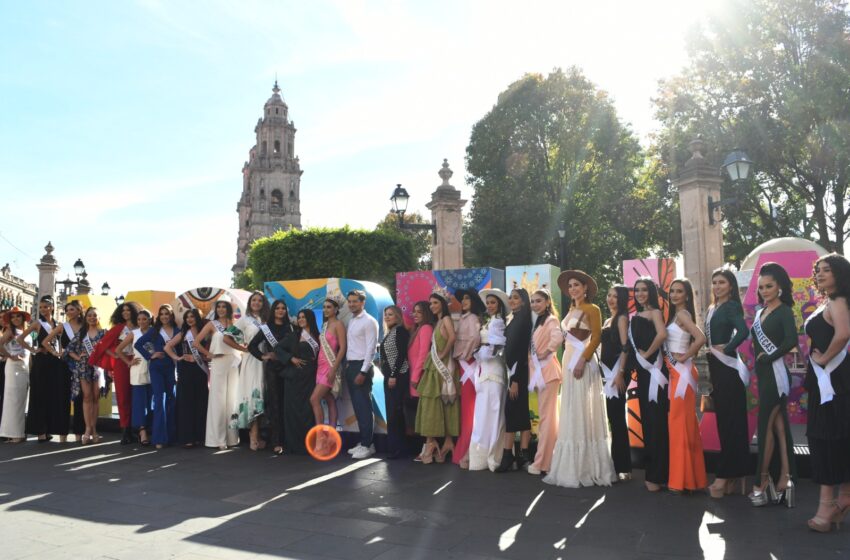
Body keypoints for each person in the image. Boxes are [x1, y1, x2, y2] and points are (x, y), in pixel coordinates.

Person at [545, 272, 616, 487]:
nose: (573, 289)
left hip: (582, 361)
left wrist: (583, 360)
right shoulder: (570, 310)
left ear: (585, 288)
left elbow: (596, 337)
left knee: (582, 408)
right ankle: (570, 465)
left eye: (576, 285)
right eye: (570, 286)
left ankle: (588, 467)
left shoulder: (592, 309)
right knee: (571, 408)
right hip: (568, 359)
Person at [804, 254, 850, 532]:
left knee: (828, 439)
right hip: (828, 381)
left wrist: (823, 359)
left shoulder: (838, 300)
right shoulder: (830, 301)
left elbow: (843, 334)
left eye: (827, 270)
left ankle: (827, 507)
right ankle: (842, 500)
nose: (820, 274)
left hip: (833, 381)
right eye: (818, 270)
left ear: (839, 274)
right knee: (833, 437)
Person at [748, 263, 798, 507]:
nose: (764, 290)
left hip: (776, 376)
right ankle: (787, 477)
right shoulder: (762, 312)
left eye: (769, 286)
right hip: (764, 376)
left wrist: (769, 357)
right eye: (761, 287)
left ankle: (761, 480)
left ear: (780, 287)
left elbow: (791, 340)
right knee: (779, 428)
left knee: (765, 426)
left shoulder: (784, 311)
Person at [705, 266, 751, 498]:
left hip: (728, 368)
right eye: (715, 282)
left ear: (731, 286)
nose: (717, 286)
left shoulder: (731, 306)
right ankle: (733, 474)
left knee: (731, 423)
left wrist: (728, 348)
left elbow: (743, 332)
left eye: (722, 282)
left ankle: (725, 476)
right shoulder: (713, 307)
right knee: (724, 423)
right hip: (716, 367)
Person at [664, 279, 708, 494]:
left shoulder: (682, 315)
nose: (674, 294)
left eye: (679, 291)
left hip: (682, 373)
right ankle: (689, 479)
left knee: (680, 425)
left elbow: (700, 338)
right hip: (677, 373)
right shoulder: (676, 314)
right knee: (682, 425)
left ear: (687, 295)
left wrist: (684, 357)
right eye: (672, 291)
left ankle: (682, 480)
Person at [629, 278, 669, 492]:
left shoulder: (655, 313)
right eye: (637, 290)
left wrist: (647, 354)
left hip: (655, 372)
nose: (640, 293)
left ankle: (658, 475)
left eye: (644, 290)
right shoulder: (635, 316)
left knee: (657, 423)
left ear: (651, 292)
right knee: (647, 422)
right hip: (643, 375)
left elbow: (662, 334)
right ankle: (652, 472)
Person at [195, 298, 246, 450]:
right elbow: (196, 342)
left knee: (232, 400)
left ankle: (232, 438)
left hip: (233, 363)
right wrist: (209, 354)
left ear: (228, 309)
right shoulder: (212, 324)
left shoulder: (234, 324)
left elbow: (239, 343)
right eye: (219, 307)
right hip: (219, 363)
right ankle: (218, 439)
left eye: (224, 307)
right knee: (218, 401)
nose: (221, 309)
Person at [90, 302, 143, 444]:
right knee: (123, 396)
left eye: (128, 310)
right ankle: (125, 430)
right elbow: (102, 345)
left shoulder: (140, 327)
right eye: (123, 310)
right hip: (122, 364)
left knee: (137, 396)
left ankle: (138, 430)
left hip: (139, 362)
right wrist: (115, 355)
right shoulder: (118, 328)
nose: (125, 312)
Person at [415, 293, 458, 464]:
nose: (432, 306)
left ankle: (433, 443)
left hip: (442, 367)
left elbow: (452, 337)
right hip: (435, 366)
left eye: (435, 302)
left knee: (437, 402)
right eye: (430, 303)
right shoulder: (438, 321)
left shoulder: (446, 318)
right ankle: (444, 442)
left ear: (442, 304)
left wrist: (443, 353)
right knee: (438, 403)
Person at [469, 289, 509, 471]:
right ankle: (481, 456)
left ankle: (494, 455)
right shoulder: (488, 322)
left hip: (494, 370)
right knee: (483, 412)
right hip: (484, 370)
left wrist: (482, 351)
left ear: (499, 305)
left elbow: (496, 348)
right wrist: (479, 352)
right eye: (488, 302)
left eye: (493, 302)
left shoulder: (498, 322)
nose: (490, 305)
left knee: (493, 411)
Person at [19, 296, 68, 442]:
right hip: (41, 362)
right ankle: (40, 431)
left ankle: (49, 429)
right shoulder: (37, 323)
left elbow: (61, 342)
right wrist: (32, 350)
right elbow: (20, 338)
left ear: (52, 307)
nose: (43, 309)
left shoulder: (58, 324)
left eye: (46, 307)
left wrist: (60, 352)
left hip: (55, 362)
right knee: (39, 395)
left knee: (52, 395)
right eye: (41, 307)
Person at [526, 289, 564, 476]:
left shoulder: (551, 320)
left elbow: (558, 338)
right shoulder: (538, 321)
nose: (535, 304)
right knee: (548, 418)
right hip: (541, 374)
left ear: (548, 302)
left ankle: (542, 462)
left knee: (547, 419)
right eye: (532, 301)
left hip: (548, 373)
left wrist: (546, 352)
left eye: (538, 301)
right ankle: (547, 460)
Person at [248, 299, 292, 455]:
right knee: (275, 405)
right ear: (273, 310)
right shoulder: (266, 328)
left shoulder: (291, 327)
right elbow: (251, 346)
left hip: (288, 368)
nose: (280, 310)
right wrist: (263, 356)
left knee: (288, 404)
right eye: (277, 308)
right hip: (273, 370)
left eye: (283, 308)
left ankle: (289, 440)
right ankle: (277, 441)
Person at [496, 288, 533, 472]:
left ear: (524, 301)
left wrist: (516, 380)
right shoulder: (513, 319)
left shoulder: (525, 321)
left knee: (514, 412)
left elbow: (521, 352)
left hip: (518, 374)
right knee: (516, 412)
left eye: (516, 298)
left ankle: (513, 455)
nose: (511, 300)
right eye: (510, 297)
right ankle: (519, 455)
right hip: (512, 372)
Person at [274, 309, 319, 455]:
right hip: (294, 378)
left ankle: (309, 444)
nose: (300, 319)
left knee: (308, 410)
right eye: (299, 317)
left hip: (310, 377)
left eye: (303, 317)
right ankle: (293, 444)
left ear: (310, 318)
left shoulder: (318, 336)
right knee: (292, 410)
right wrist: (291, 358)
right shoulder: (294, 335)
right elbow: (278, 348)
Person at [600, 286, 633, 479]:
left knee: (618, 419)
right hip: (608, 375)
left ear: (622, 299)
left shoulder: (621, 318)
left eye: (615, 296)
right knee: (614, 418)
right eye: (609, 295)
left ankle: (623, 467)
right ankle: (617, 463)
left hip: (617, 374)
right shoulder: (608, 320)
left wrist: (620, 373)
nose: (611, 299)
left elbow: (625, 347)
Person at [164, 309, 209, 448]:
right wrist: (177, 358)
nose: (189, 319)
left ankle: (200, 436)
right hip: (186, 370)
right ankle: (187, 437)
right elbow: (167, 347)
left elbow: (209, 354)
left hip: (200, 369)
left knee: (201, 402)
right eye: (187, 317)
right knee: (186, 404)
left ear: (198, 318)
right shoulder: (183, 333)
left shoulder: (205, 333)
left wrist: (199, 358)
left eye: (192, 316)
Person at [134, 305, 177, 448]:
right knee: (159, 400)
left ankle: (170, 436)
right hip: (156, 368)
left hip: (171, 368)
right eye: (162, 314)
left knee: (171, 399)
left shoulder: (177, 330)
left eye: (167, 314)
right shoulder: (155, 330)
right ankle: (159, 438)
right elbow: (138, 344)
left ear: (171, 315)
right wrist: (150, 355)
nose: (164, 316)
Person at [43, 300, 85, 442]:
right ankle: (62, 434)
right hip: (64, 365)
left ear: (79, 310)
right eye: (67, 310)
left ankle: (79, 433)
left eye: (72, 309)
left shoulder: (85, 327)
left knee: (80, 399)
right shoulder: (62, 326)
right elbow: (45, 342)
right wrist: (55, 353)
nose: (68, 312)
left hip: (81, 365)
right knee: (63, 399)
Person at [344, 290, 379, 460]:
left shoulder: (369, 321)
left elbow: (371, 349)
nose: (351, 304)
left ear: (362, 302)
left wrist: (363, 371)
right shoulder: (351, 320)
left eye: (355, 301)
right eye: (349, 301)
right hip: (351, 366)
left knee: (364, 407)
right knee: (358, 407)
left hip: (361, 368)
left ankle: (367, 445)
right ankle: (366, 442)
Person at [452, 289, 484, 469]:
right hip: (465, 364)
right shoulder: (465, 318)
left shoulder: (472, 318)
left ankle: (466, 452)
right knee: (467, 411)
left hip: (468, 365)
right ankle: (464, 451)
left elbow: (474, 338)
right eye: (462, 299)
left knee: (469, 411)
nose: (463, 301)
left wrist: (464, 355)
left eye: (467, 298)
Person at [66, 307, 106, 444]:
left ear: (99, 318)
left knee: (95, 397)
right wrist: (78, 357)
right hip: (84, 367)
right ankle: (88, 429)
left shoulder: (104, 333)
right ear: (86, 318)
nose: (92, 318)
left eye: (95, 315)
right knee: (87, 397)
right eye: (89, 315)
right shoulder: (82, 333)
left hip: (98, 368)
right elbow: (69, 349)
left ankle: (94, 429)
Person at [312, 298, 346, 455]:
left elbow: (342, 348)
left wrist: (334, 368)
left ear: (336, 309)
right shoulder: (324, 325)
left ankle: (320, 437)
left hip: (330, 367)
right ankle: (332, 437)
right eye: (324, 307)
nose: (326, 309)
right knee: (330, 400)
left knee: (314, 399)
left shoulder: (338, 325)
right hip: (320, 366)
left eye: (329, 307)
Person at [117, 309, 152, 445]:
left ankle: (151, 429)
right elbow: (118, 349)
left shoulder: (154, 332)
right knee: (139, 402)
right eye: (139, 319)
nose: (141, 322)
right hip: (138, 370)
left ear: (149, 320)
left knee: (151, 401)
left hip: (153, 369)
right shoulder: (134, 333)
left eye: (144, 319)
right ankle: (142, 431)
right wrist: (128, 362)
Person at [380, 305, 410, 459]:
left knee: (394, 413)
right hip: (389, 377)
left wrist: (393, 375)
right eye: (386, 314)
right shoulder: (390, 332)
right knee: (392, 413)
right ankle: (395, 447)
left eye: (390, 314)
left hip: (398, 377)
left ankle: (398, 448)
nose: (387, 317)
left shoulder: (400, 331)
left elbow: (401, 354)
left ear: (398, 316)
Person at [407, 301, 434, 460]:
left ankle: (428, 447)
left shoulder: (426, 328)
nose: (415, 315)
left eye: (419, 312)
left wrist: (416, 376)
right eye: (414, 311)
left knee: (424, 415)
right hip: (414, 377)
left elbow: (424, 354)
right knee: (418, 415)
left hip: (419, 378)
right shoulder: (417, 329)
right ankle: (425, 447)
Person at [0, 307, 32, 443]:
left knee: (22, 401)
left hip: (25, 367)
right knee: (13, 400)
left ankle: (19, 433)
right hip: (13, 368)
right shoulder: (9, 331)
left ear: (23, 318)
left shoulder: (27, 332)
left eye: (18, 316)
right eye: (12, 317)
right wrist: (9, 355)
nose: (15, 319)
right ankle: (14, 434)